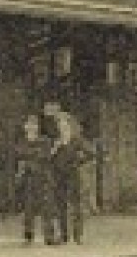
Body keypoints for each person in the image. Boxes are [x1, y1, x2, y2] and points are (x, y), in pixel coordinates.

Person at [43, 102, 88, 245]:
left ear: (69, 125)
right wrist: (55, 149)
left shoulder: (76, 141)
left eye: (64, 124)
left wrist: (79, 160)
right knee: (60, 205)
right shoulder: (56, 142)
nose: (62, 127)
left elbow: (90, 153)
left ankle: (77, 235)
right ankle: (64, 235)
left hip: (73, 175)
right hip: (58, 176)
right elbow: (48, 158)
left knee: (75, 205)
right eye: (60, 125)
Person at [14, 114, 54, 245]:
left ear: (38, 127)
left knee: (47, 208)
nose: (31, 127)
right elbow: (19, 154)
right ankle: (28, 236)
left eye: (34, 125)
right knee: (28, 209)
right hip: (28, 179)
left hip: (43, 178)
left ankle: (49, 237)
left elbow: (45, 155)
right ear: (25, 127)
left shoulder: (45, 141)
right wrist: (34, 154)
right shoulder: (21, 142)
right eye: (29, 125)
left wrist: (29, 156)